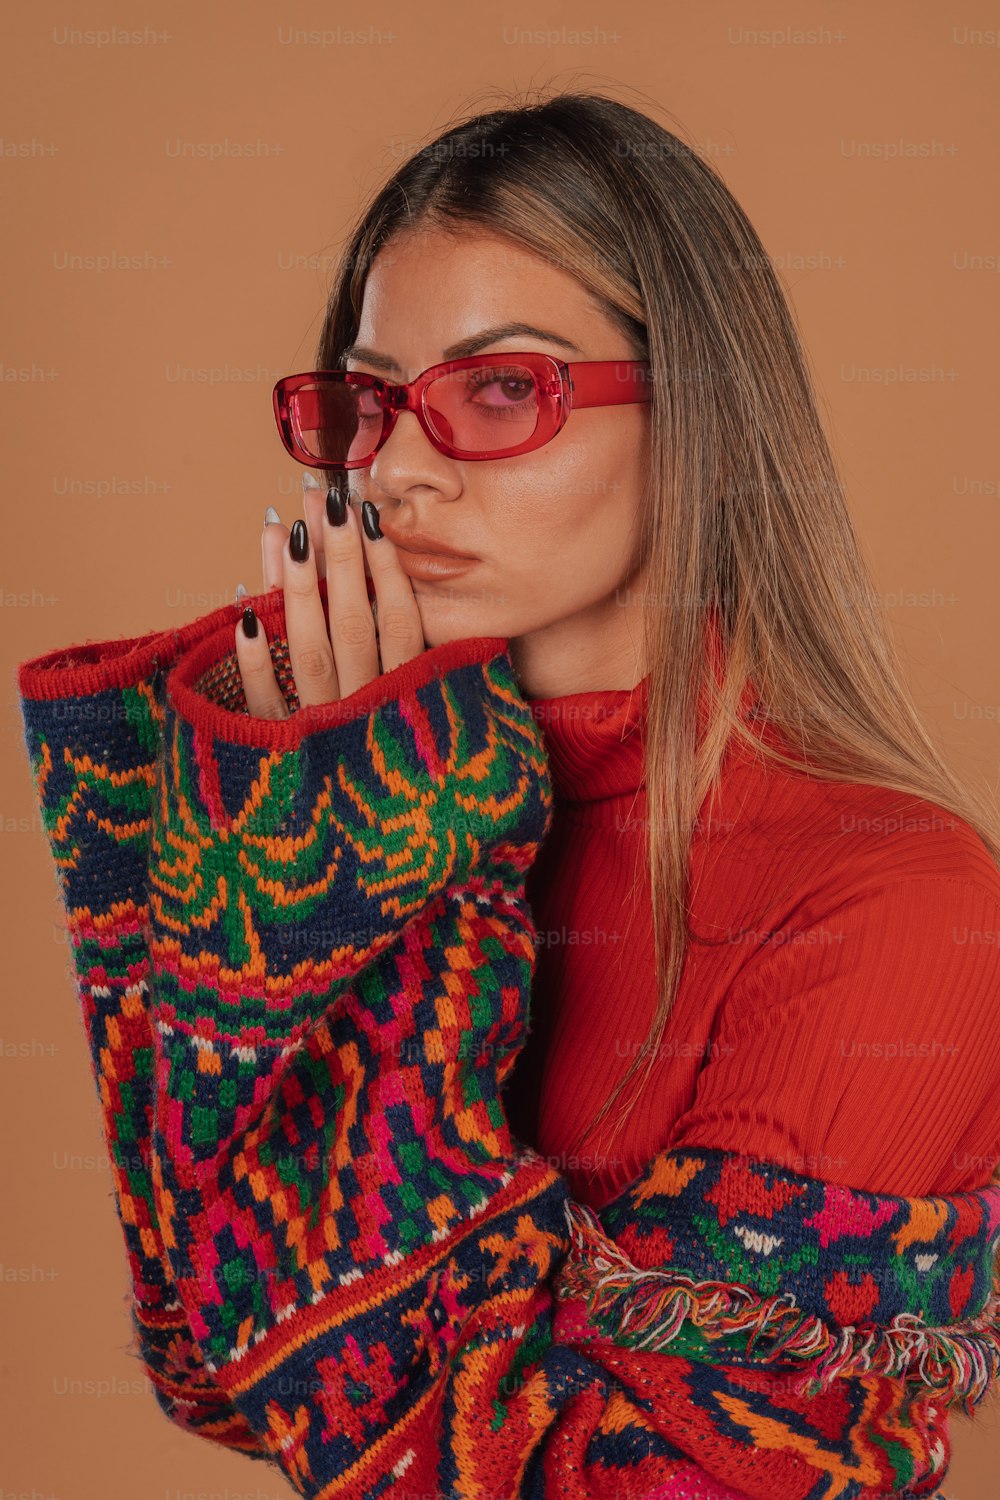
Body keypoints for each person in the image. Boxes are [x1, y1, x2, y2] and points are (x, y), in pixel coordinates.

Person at [17, 89, 1000, 1500]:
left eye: (498, 390)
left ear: (701, 415)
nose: (397, 472)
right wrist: (321, 846)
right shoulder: (397, 804)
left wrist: (390, 888)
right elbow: (211, 1352)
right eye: (365, 402)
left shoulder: (897, 905)